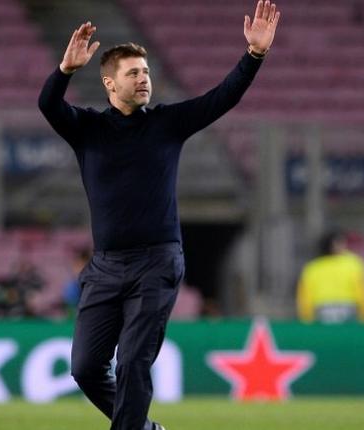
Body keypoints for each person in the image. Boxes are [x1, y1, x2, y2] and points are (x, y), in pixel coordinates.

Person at [37, 2, 280, 429]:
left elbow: (222, 98)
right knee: (85, 368)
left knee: (132, 361)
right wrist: (65, 70)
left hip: (157, 262)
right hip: (106, 266)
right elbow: (48, 105)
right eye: (133, 73)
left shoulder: (166, 124)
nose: (144, 78)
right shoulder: (88, 130)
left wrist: (254, 55)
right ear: (110, 83)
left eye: (146, 72)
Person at [297, 230, 364, 324]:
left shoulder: (313, 267)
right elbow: (305, 296)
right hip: (335, 310)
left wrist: (306, 319)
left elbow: (362, 290)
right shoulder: (353, 264)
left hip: (333, 311)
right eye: (339, 242)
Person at [62, 246, 92, 318]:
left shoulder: (98, 286)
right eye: (76, 265)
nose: (77, 269)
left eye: (80, 265)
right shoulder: (71, 286)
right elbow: (70, 311)